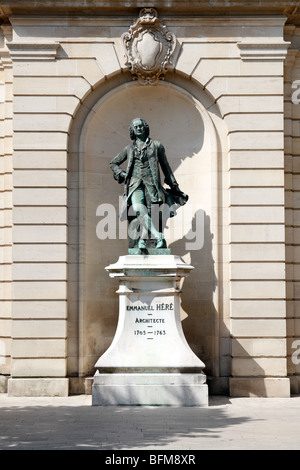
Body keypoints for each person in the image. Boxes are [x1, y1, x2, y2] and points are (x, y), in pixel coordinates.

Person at [110, 117, 188, 249]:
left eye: (141, 126)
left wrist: (174, 186)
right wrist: (121, 173)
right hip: (134, 185)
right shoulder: (129, 149)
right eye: (136, 127)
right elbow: (113, 163)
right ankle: (158, 236)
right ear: (132, 131)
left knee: (151, 214)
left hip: (152, 186)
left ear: (145, 127)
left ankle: (142, 240)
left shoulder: (157, 145)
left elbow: (165, 166)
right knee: (138, 210)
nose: (139, 128)